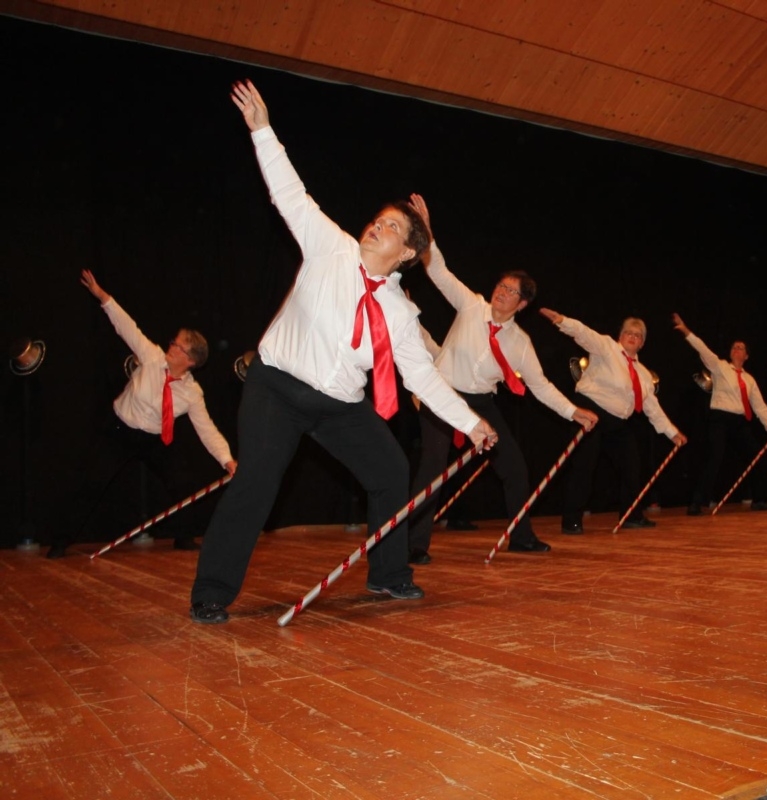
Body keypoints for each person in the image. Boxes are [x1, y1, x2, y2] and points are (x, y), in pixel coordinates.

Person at [189, 81, 496, 625]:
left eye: (392, 227)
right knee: (257, 481)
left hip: (339, 405)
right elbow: (291, 193)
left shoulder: (401, 314)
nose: (377, 226)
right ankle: (211, 592)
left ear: (407, 254)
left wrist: (470, 424)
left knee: (391, 469)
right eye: (379, 219)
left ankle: (389, 574)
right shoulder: (330, 246)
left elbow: (423, 379)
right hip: (277, 388)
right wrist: (262, 130)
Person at [406, 195, 598, 563]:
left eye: (512, 292)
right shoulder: (471, 304)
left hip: (480, 402)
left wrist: (572, 411)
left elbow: (540, 385)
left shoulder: (520, 343)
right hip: (441, 393)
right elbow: (439, 271)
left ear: (522, 305)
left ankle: (521, 537)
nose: (503, 292)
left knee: (514, 468)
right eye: (502, 286)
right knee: (432, 466)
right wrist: (427, 234)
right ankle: (414, 544)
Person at [46, 271, 237, 558]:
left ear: (189, 360)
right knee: (92, 482)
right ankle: (60, 541)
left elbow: (207, 429)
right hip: (119, 431)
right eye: (174, 341)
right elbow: (127, 326)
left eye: (177, 345)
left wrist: (227, 459)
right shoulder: (151, 356)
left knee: (182, 483)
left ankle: (184, 537)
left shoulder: (192, 393)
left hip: (155, 439)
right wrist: (102, 296)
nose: (170, 345)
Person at [540, 310, 687, 533]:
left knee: (631, 466)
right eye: (628, 333)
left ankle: (631, 516)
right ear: (621, 336)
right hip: (590, 411)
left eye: (638, 335)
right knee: (584, 466)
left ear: (642, 343)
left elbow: (651, 406)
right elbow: (585, 334)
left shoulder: (643, 374)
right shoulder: (607, 347)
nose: (632, 337)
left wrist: (672, 432)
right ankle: (571, 521)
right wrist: (562, 321)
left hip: (617, 421)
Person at [672, 313, 767, 514]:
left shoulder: (750, 380)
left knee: (759, 457)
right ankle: (696, 503)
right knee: (715, 458)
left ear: (746, 356)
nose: (736, 349)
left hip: (739, 422)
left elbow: (760, 406)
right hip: (720, 419)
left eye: (741, 348)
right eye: (734, 347)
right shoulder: (720, 366)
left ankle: (760, 500)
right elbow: (703, 349)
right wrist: (686, 331)